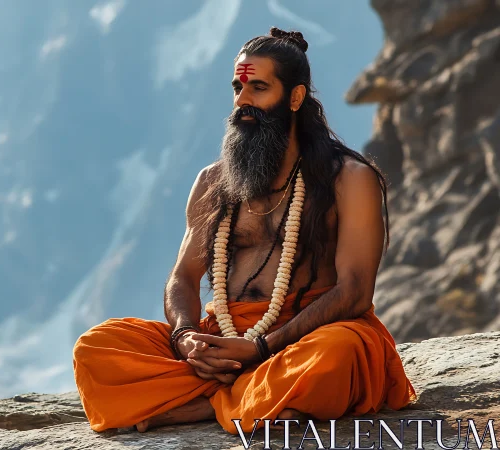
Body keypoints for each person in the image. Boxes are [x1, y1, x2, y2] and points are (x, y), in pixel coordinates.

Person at [71, 27, 417, 434]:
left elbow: (355, 291)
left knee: (338, 353)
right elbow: (183, 277)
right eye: (238, 87)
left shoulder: (348, 178)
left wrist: (261, 347)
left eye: (258, 88)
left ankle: (202, 405)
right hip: (221, 342)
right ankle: (252, 400)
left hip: (302, 339)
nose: (242, 101)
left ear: (295, 97)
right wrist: (185, 337)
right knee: (98, 345)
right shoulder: (212, 182)